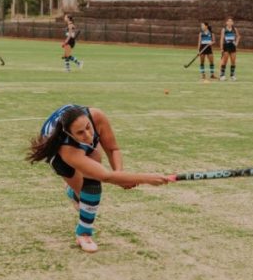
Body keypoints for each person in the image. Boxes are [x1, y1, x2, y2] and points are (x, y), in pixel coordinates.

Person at [27, 104, 171, 252]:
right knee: (85, 192)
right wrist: (147, 178)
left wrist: (120, 174)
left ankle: (83, 230)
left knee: (93, 173)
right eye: (80, 132)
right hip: (59, 156)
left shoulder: (96, 116)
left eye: (88, 127)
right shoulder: (66, 149)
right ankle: (82, 233)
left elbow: (113, 148)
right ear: (70, 134)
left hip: (80, 142)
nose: (88, 135)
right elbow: (105, 176)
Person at [219, 17, 240, 81]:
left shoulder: (234, 29)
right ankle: (222, 75)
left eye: (231, 21)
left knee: (233, 61)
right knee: (225, 61)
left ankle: (232, 75)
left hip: (232, 45)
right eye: (229, 21)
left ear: (232, 23)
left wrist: (236, 43)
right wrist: (221, 48)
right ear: (226, 22)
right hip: (226, 45)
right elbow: (222, 39)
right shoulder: (224, 29)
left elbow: (238, 36)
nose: (230, 22)